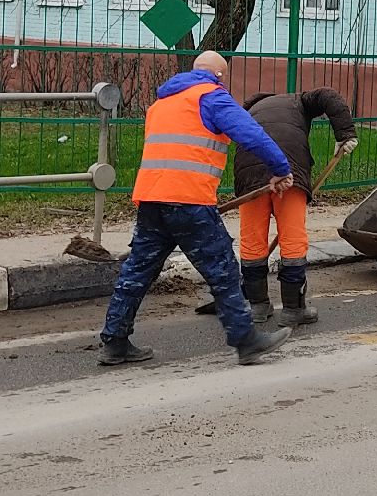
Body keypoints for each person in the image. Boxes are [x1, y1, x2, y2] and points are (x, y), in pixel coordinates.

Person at [97, 50, 296, 367]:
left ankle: (115, 340)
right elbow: (250, 134)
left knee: (138, 271)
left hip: (151, 198)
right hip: (189, 201)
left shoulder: (161, 103)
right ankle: (247, 341)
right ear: (219, 76)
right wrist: (281, 168)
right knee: (224, 270)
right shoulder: (212, 97)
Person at [220, 89, 359, 326]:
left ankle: (257, 306)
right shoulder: (299, 100)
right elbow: (329, 96)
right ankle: (293, 309)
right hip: (287, 172)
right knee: (292, 238)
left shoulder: (250, 110)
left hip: (249, 174)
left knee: (252, 239)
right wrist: (345, 134)